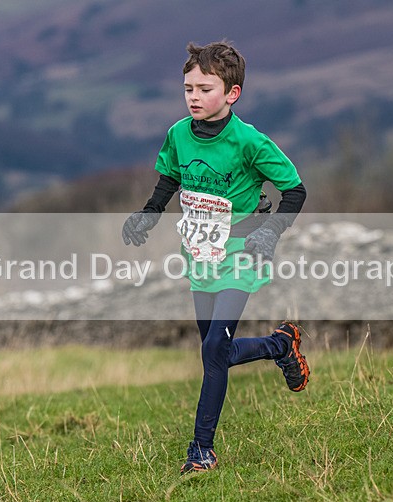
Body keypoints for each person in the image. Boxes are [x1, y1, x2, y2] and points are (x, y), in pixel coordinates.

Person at [122, 40, 310, 474]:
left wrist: (270, 233)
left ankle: (201, 450)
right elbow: (170, 177)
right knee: (215, 351)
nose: (193, 96)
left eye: (205, 88)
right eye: (188, 87)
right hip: (199, 254)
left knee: (213, 348)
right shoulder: (177, 134)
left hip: (242, 252)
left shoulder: (250, 142)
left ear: (232, 93)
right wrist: (148, 215)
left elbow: (295, 191)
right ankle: (280, 344)